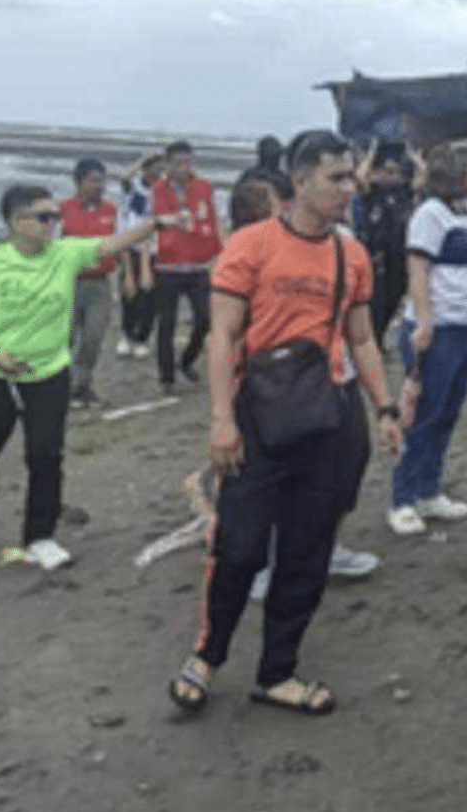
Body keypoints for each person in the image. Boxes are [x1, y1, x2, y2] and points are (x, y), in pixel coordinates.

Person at [169, 130, 402, 717]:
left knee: (307, 552)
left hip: (330, 415)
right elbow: (222, 335)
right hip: (259, 414)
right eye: (336, 177)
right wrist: (222, 420)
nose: (349, 188)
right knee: (239, 546)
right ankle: (207, 654)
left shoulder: (350, 253)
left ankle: (278, 672)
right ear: (299, 182)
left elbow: (362, 337)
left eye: (352, 176)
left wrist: (387, 408)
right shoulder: (251, 244)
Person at [0, 185, 182, 566]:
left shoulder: (66, 253)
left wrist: (156, 223)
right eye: (44, 217)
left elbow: (111, 244)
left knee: (46, 455)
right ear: (17, 222)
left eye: (55, 216)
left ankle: (40, 537)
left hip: (49, 374)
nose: (53, 223)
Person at [388, 143, 467, 536]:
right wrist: (424, 322)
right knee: (422, 415)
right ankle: (402, 498)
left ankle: (429, 490)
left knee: (447, 414)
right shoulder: (430, 215)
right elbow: (418, 271)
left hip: (463, 328)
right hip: (439, 329)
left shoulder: (466, 218)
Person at [153, 141, 223, 392]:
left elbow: (213, 219)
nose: (185, 168)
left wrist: (219, 253)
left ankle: (187, 359)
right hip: (167, 266)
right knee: (167, 324)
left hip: (197, 265)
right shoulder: (156, 189)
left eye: (188, 162)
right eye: (179, 163)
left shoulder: (203, 187)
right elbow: (146, 225)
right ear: (167, 165)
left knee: (206, 317)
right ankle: (167, 378)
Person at [353, 138, 427, 347]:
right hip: (376, 251)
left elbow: (423, 179)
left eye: (394, 171)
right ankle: (374, 340)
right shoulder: (372, 193)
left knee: (397, 293)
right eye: (386, 171)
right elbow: (360, 178)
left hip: (399, 250)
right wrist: (370, 154)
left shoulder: (401, 192)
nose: (391, 175)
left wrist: (415, 159)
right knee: (376, 298)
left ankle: (381, 333)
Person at [60, 159, 119, 408]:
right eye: (93, 180)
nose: (99, 186)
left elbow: (122, 242)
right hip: (68, 283)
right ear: (79, 182)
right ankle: (59, 387)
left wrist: (132, 276)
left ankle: (81, 386)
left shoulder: (111, 211)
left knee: (93, 339)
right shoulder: (62, 209)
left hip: (100, 284)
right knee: (65, 339)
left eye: (102, 180)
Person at [117, 152, 165, 358]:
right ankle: (127, 335)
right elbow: (124, 177)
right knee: (129, 293)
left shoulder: (165, 190)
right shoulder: (135, 188)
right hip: (131, 247)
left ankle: (142, 338)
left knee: (151, 297)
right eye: (151, 167)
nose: (156, 171)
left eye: (159, 167)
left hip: (156, 249)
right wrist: (142, 159)